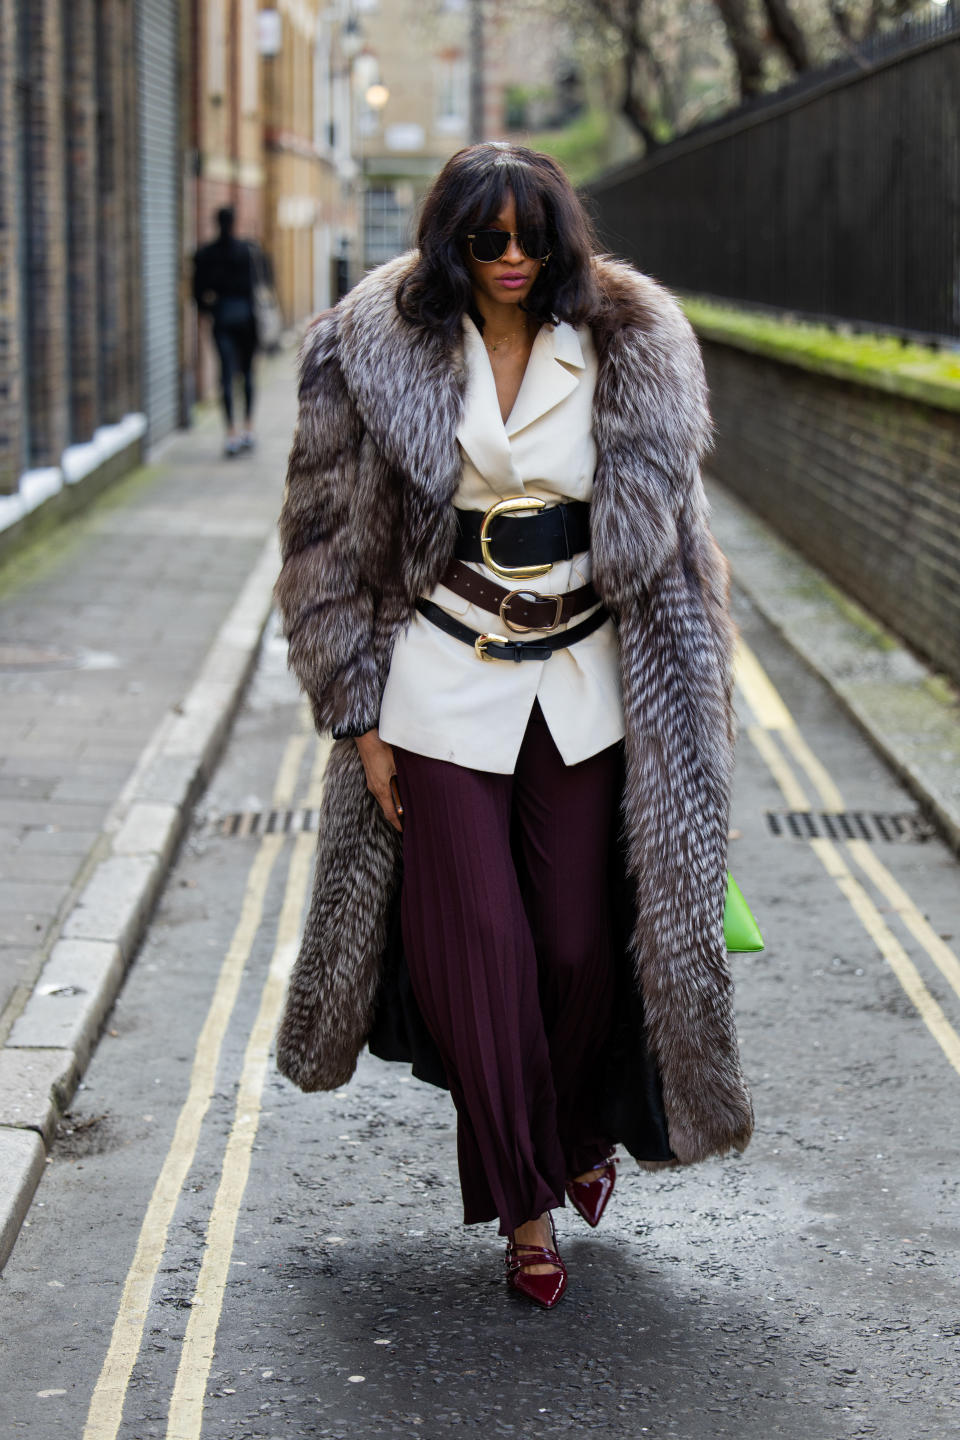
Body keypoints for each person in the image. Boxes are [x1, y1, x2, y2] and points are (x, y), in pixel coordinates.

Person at [274, 142, 753, 1311]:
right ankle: (525, 1205)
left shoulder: (631, 340)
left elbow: (679, 549)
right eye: (484, 240)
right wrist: (359, 724)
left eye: (531, 237)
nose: (510, 258)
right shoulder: (367, 343)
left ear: (562, 238)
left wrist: (689, 708)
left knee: (584, 946)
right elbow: (324, 548)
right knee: (475, 947)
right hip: (439, 679)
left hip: (588, 682)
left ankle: (572, 1124)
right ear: (449, 242)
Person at [193, 207, 259, 458]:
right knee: (247, 373)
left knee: (226, 376)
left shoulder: (205, 255)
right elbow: (254, 288)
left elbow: (197, 294)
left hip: (222, 318)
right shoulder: (246, 252)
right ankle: (248, 428)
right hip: (246, 318)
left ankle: (231, 433)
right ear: (234, 223)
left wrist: (211, 309)